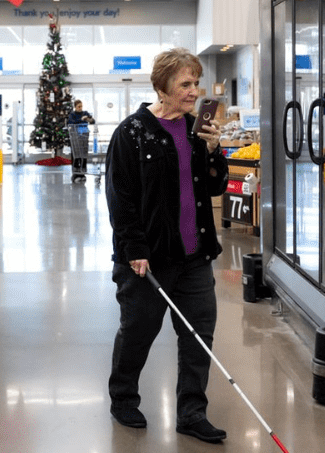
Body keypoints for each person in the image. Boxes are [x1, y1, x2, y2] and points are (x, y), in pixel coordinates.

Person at [105, 47, 229, 444]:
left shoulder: (197, 133)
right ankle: (123, 398)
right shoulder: (131, 132)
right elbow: (120, 197)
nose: (195, 91)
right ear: (162, 88)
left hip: (195, 258)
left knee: (198, 335)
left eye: (197, 83)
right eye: (186, 84)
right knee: (138, 331)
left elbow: (213, 187)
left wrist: (213, 152)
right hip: (148, 260)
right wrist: (133, 249)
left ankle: (192, 412)